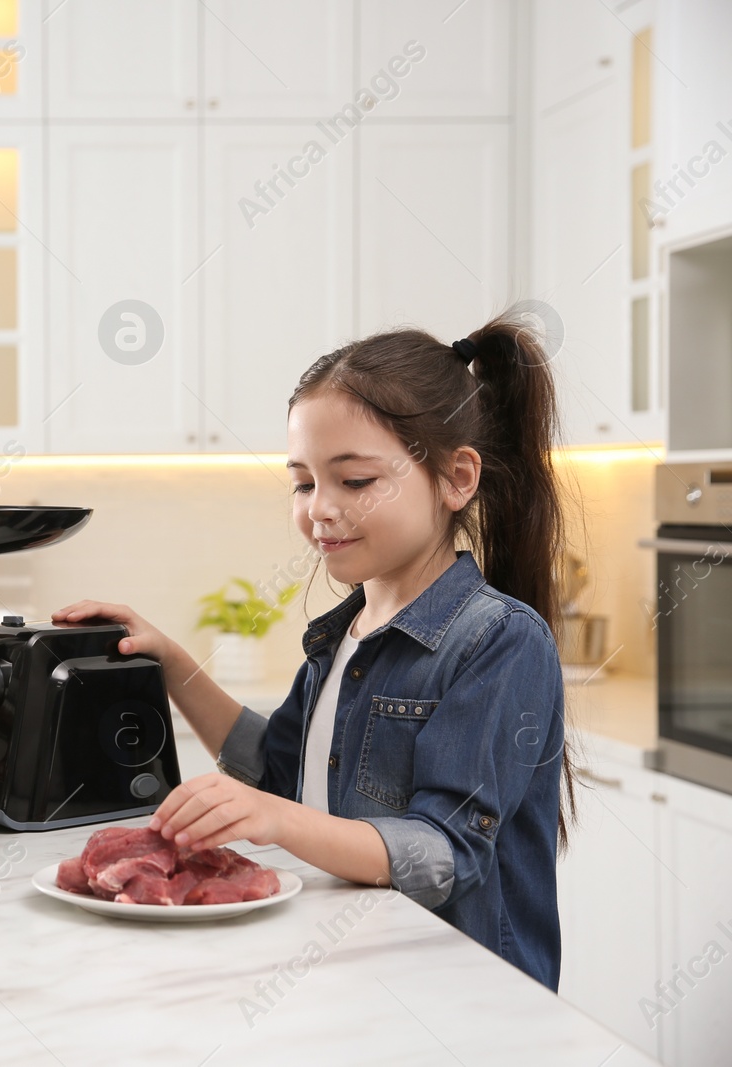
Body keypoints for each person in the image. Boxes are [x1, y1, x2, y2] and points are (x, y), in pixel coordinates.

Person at [55, 315, 571, 989]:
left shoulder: (500, 640)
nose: (320, 508)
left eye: (354, 481)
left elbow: (443, 852)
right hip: (360, 976)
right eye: (303, 482)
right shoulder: (343, 634)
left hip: (463, 998)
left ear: (457, 478)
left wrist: (277, 819)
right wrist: (171, 664)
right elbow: (275, 770)